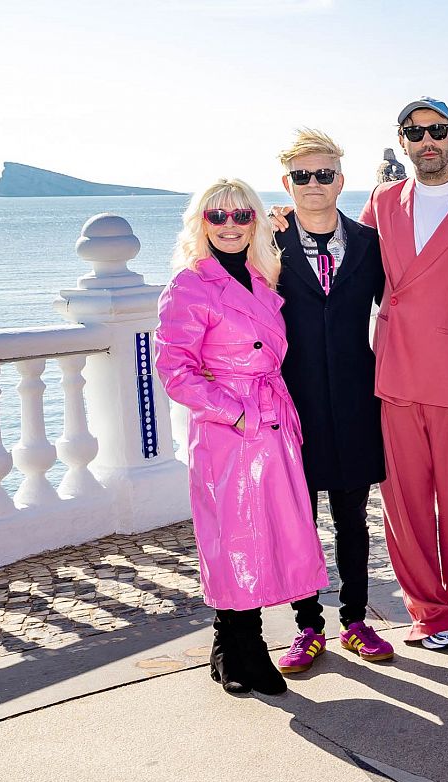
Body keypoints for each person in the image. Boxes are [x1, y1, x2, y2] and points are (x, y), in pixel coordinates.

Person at [155, 178, 329, 696]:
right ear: (200, 223)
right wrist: (236, 415)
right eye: (217, 216)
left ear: (255, 221)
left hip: (272, 423)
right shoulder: (188, 285)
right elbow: (174, 369)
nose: (230, 225)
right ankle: (243, 648)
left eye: (241, 216)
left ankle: (227, 644)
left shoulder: (262, 277)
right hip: (229, 431)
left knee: (271, 534)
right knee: (233, 537)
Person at [361, 97, 448, 650]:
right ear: (402, 141)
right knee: (405, 500)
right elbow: (345, 263)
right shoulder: (382, 203)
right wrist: (284, 232)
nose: (427, 141)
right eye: (414, 132)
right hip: (396, 372)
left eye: (436, 130)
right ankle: (428, 609)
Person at [265, 129, 396, 674]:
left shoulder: (369, 244)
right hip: (291, 404)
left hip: (354, 399)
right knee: (300, 520)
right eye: (302, 175)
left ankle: (356, 620)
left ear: (341, 180)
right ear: (287, 183)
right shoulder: (266, 244)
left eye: (324, 174)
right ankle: (306, 627)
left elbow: (401, 308)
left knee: (352, 519)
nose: (313, 184)